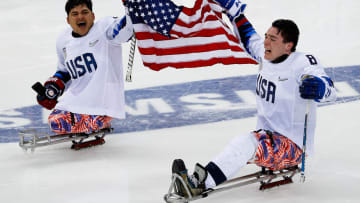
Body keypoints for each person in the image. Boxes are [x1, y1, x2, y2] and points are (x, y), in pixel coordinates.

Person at [171, 0, 337, 196]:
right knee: (246, 144)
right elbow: (248, 36)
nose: (266, 42)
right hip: (268, 137)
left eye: (273, 39)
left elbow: (329, 89)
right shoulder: (266, 54)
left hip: (292, 147)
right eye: (266, 36)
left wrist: (319, 87)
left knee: (245, 143)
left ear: (288, 46)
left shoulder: (302, 62)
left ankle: (199, 184)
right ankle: (200, 179)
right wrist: (233, 12)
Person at [35, 0, 133, 134]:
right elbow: (65, 72)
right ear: (68, 20)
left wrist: (131, 7)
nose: (80, 17)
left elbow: (125, 30)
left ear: (93, 16)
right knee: (55, 121)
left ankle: (101, 118)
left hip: (103, 101)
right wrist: (53, 89)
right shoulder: (63, 40)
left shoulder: (104, 28)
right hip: (78, 100)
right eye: (74, 14)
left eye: (84, 12)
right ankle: (93, 121)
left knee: (60, 123)